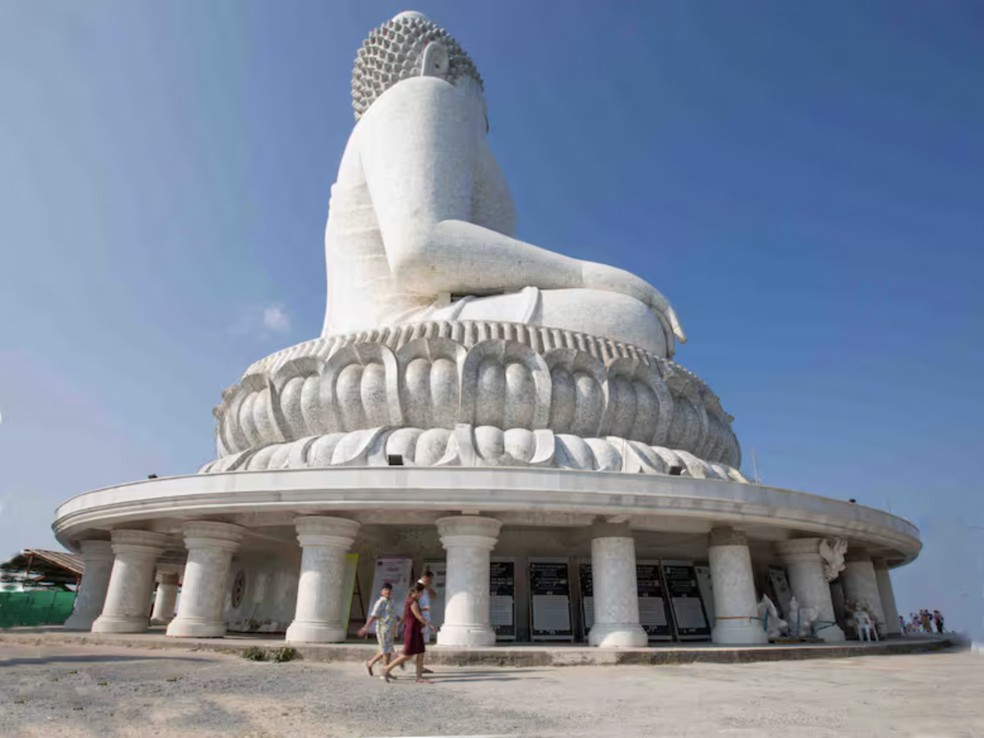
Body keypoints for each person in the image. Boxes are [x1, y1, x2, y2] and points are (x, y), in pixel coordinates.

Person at [381, 583, 436, 683]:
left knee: (420, 653)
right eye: (420, 593)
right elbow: (418, 616)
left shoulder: (413, 601)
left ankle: (419, 677)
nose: (421, 595)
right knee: (408, 654)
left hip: (417, 630)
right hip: (412, 630)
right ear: (415, 592)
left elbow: (405, 616)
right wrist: (429, 624)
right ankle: (387, 668)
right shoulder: (412, 602)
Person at [358, 582, 399, 677]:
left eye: (389, 590)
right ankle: (384, 672)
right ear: (382, 591)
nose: (387, 592)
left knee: (387, 650)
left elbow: (393, 614)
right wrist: (365, 627)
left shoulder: (391, 602)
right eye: (385, 590)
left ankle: (371, 664)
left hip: (390, 629)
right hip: (382, 629)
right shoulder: (380, 602)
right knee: (385, 650)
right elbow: (374, 615)